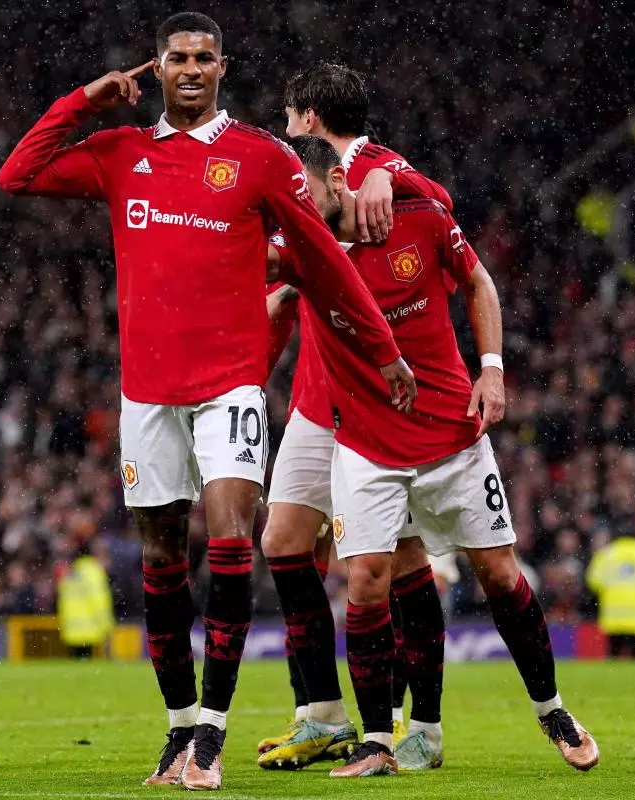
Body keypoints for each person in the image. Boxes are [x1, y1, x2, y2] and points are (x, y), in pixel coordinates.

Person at [0, 12, 416, 791]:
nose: (191, 69)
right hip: (146, 391)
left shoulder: (261, 158)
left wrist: (383, 349)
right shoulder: (121, 153)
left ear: (223, 67)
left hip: (230, 385)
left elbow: (323, 261)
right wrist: (89, 97)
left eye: (204, 58)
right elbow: (16, 174)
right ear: (157, 67)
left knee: (229, 543)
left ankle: (213, 737)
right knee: (160, 560)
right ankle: (179, 727)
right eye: (177, 58)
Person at [283, 136, 599, 777]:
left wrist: (491, 369)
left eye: (305, 192)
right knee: (366, 582)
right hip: (366, 448)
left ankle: (552, 709)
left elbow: (477, 281)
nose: (297, 206)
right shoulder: (303, 253)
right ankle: (378, 742)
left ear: (337, 182)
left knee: (500, 573)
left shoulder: (420, 219)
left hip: (452, 437)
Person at [258, 62, 455, 772]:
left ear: (308, 117)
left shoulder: (374, 167)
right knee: (282, 538)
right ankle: (322, 715)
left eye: (287, 117)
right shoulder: (301, 179)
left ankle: (420, 724)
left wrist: (388, 176)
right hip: (317, 395)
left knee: (399, 562)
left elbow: (439, 201)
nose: (283, 131)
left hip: (373, 398)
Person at [585, 530, 635, 659]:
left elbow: (594, 581)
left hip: (613, 614)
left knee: (613, 656)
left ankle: (612, 675)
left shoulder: (606, 553)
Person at [57, 542, 116, 659]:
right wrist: (105, 623)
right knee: (87, 664)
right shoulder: (93, 572)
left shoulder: (72, 572)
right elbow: (99, 599)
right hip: (89, 627)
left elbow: (63, 597)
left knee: (76, 664)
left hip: (71, 628)